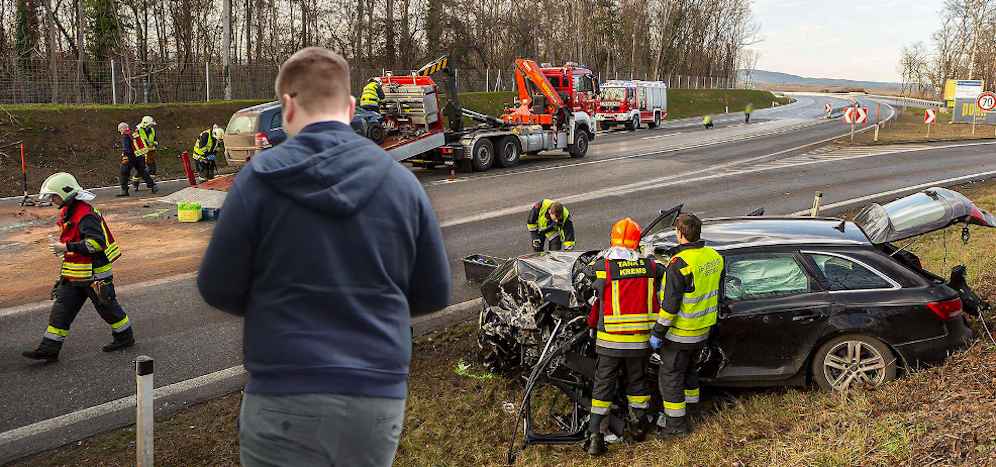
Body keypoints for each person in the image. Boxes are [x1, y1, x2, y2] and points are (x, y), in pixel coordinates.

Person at [197, 47, 450, 467]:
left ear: (288, 106)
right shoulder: (401, 183)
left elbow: (217, 286)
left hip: (283, 393)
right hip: (375, 398)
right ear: (351, 108)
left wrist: (276, 303)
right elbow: (433, 292)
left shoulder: (258, 180)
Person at [22, 172, 135, 362]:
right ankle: (49, 348)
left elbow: (96, 243)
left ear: (65, 193)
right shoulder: (70, 211)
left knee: (107, 308)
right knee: (62, 310)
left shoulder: (85, 214)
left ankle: (125, 337)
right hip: (74, 275)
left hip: (95, 275)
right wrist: (65, 251)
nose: (52, 199)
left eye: (54, 195)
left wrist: (65, 247)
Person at [583, 218, 662, 455]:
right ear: (638, 242)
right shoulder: (652, 267)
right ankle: (638, 428)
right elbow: (665, 273)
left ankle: (596, 437)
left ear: (613, 241)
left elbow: (587, 277)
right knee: (638, 383)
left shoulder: (604, 267)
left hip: (610, 342)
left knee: (603, 387)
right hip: (639, 341)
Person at [649, 213, 723, 439]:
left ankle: (676, 427)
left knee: (670, 378)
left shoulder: (678, 264)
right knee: (690, 373)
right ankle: (694, 412)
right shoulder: (714, 257)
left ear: (679, 234)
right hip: (703, 330)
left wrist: (657, 333)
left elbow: (670, 306)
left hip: (680, 334)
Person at [117, 122, 158, 196]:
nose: (119, 131)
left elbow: (126, 147)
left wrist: (125, 157)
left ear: (123, 128)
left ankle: (124, 190)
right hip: (139, 155)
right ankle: (152, 185)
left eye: (120, 129)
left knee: (123, 173)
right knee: (142, 171)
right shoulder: (134, 133)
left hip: (131, 156)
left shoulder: (125, 136)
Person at [133, 116, 158, 189]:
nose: (152, 126)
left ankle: (151, 183)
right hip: (141, 153)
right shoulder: (138, 131)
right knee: (141, 169)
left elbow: (155, 140)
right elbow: (137, 141)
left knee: (152, 168)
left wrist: (153, 144)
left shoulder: (152, 130)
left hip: (150, 152)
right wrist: (146, 145)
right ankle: (135, 182)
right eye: (151, 124)